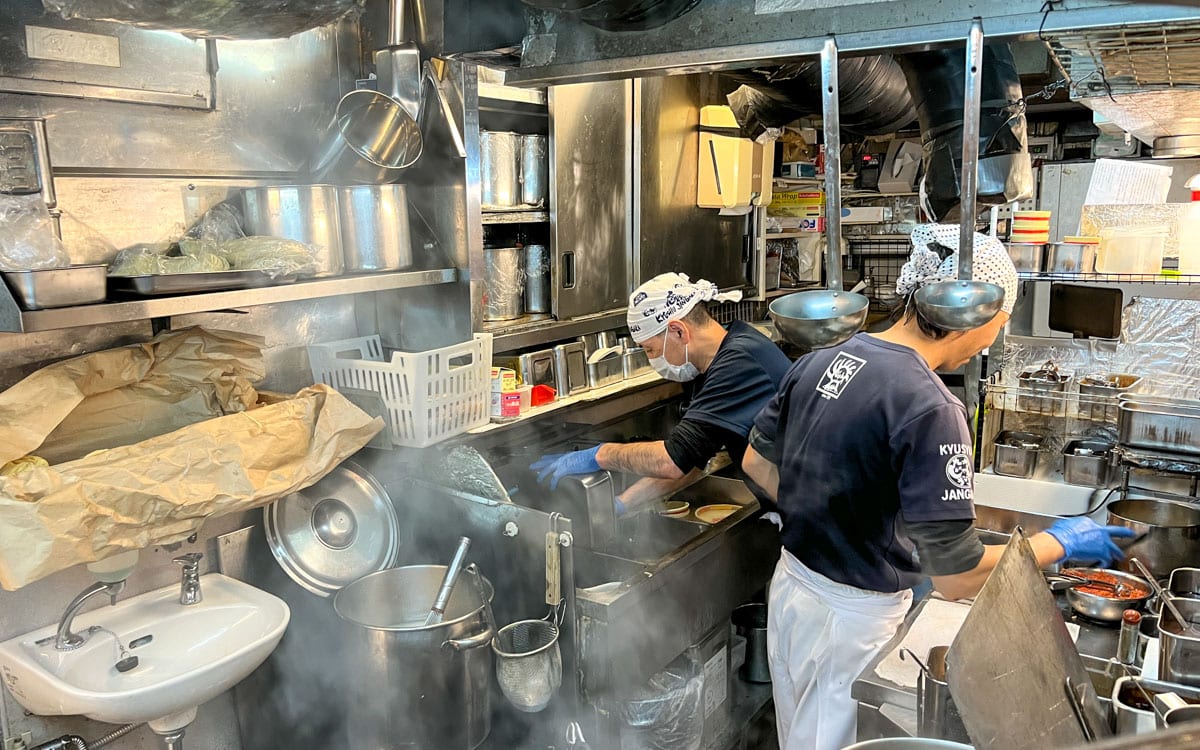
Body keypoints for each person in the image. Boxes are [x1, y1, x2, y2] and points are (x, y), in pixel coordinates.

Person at [741, 224, 1135, 750]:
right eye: (1001, 317)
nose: (996, 334)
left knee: (797, 736)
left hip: (792, 588)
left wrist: (830, 517)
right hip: (849, 622)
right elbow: (957, 579)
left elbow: (756, 462)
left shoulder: (822, 358)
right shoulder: (929, 404)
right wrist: (1061, 542)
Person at [532, 272, 792, 513]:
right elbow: (689, 460)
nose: (653, 360)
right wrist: (620, 505)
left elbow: (671, 460)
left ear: (678, 331)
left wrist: (598, 454)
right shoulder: (719, 357)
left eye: (650, 350)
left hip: (810, 516)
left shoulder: (738, 364)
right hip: (797, 508)